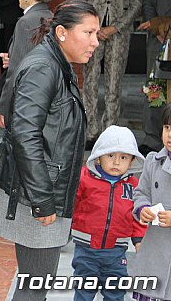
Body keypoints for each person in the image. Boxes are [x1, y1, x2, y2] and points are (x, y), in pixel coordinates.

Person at [0, 0, 100, 301]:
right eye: (88, 33)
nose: (95, 42)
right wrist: (42, 202)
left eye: (97, 34)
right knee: (34, 286)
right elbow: (25, 135)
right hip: (35, 192)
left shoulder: (56, 63)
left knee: (35, 284)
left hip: (42, 187)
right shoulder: (44, 67)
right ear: (62, 32)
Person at [75, 0, 142, 150]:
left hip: (119, 33)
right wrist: (92, 28)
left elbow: (136, 4)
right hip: (92, 33)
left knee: (114, 84)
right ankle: (90, 131)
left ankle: (110, 133)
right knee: (90, 81)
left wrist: (115, 27)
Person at [71, 125, 146, 301]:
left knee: (115, 293)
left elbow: (138, 216)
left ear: (131, 161)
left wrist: (139, 239)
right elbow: (71, 204)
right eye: (110, 156)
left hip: (116, 252)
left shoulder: (134, 186)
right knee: (84, 291)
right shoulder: (84, 179)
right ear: (98, 158)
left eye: (123, 157)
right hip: (86, 249)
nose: (117, 162)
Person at [0, 0, 61, 129]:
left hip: (26, 101)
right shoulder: (50, 17)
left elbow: (17, 70)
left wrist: (3, 106)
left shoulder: (26, 22)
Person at [137, 0, 171, 156]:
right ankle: (152, 138)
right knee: (154, 90)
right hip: (157, 41)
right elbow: (147, 0)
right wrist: (155, 25)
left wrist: (162, 23)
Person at [131, 104, 171, 301]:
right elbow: (140, 193)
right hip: (154, 253)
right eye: (167, 128)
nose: (170, 135)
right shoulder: (152, 161)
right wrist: (142, 209)